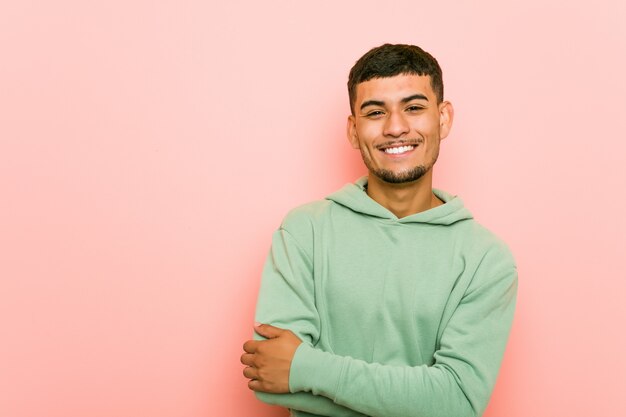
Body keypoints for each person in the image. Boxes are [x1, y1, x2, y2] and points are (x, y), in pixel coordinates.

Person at [240, 43, 517, 417]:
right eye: (375, 112)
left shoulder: (487, 260)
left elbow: (459, 403)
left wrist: (306, 369)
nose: (396, 127)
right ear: (354, 130)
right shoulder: (304, 232)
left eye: (414, 108)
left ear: (444, 118)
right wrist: (417, 398)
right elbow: (269, 378)